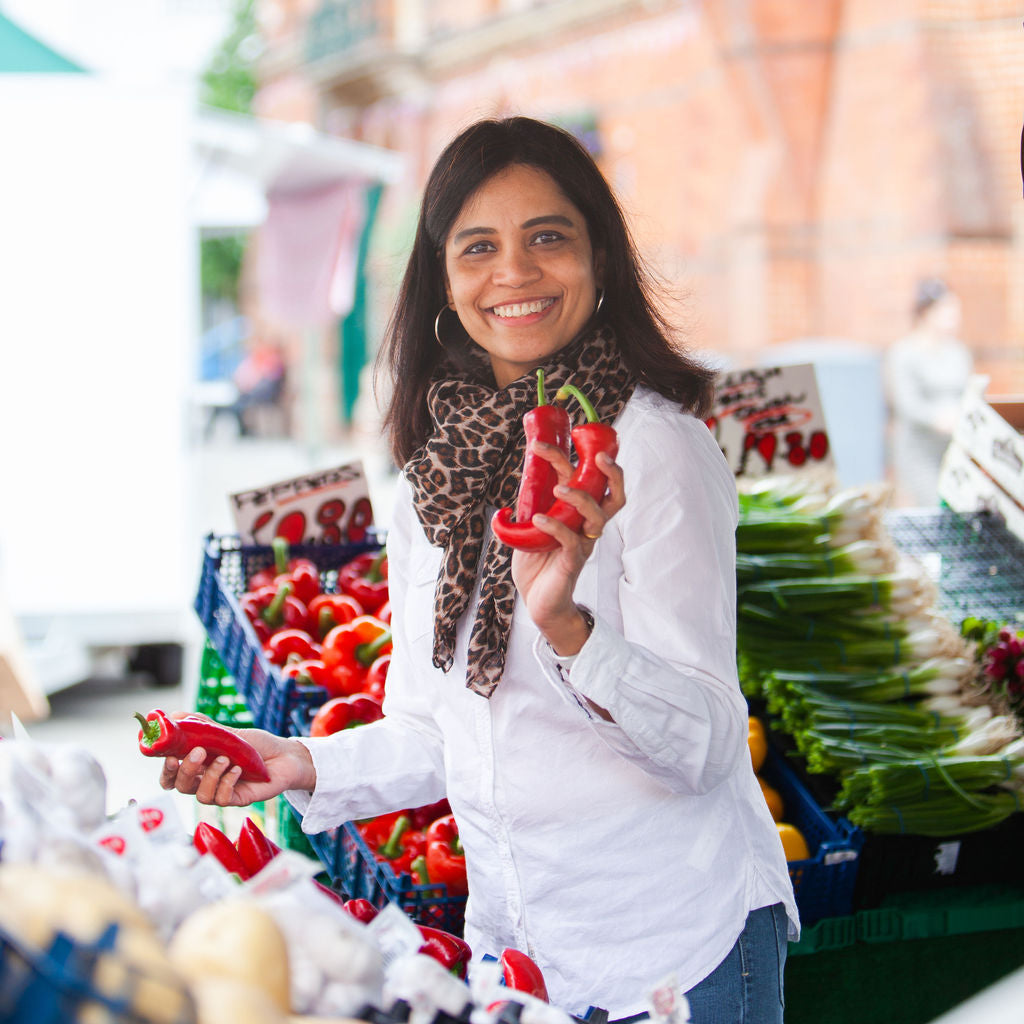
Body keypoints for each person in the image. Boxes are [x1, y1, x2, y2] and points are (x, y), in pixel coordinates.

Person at [158, 116, 799, 1022]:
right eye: (479, 248)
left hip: (671, 945)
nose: (515, 272)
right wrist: (298, 762)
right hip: (522, 954)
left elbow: (702, 747)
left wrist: (571, 631)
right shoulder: (435, 478)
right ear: (446, 285)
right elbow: (435, 729)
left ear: (602, 260)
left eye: (549, 237)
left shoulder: (656, 453)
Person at [883, 277, 973, 506]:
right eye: (947, 309)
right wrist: (936, 418)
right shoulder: (904, 352)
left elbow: (969, 393)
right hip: (919, 450)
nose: (954, 316)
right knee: (929, 506)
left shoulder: (958, 353)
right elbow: (906, 403)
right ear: (927, 312)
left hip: (952, 447)